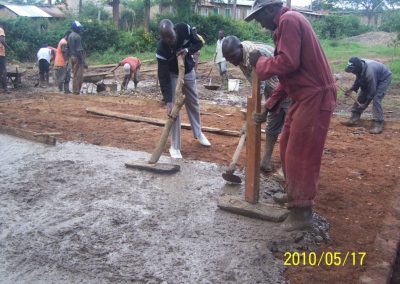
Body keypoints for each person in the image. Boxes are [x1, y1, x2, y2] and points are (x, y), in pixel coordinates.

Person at [245, 0, 337, 231]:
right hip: (303, 97)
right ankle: (294, 195)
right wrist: (269, 105)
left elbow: (287, 63)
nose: (259, 24)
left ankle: (302, 212)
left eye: (258, 18)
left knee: (301, 153)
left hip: (314, 97)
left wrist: (261, 64)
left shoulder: (289, 20)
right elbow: (289, 77)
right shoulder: (284, 25)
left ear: (269, 10)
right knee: (287, 145)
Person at [222, 35, 291, 172]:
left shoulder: (255, 55)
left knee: (291, 129)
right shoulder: (239, 57)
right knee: (272, 127)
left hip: (288, 89)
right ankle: (266, 160)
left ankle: (289, 168)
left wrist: (252, 119)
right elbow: (255, 86)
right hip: (272, 93)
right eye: (228, 58)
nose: (231, 61)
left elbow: (260, 85)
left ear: (240, 47)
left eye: (232, 56)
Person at [156, 19, 211, 159]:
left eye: (171, 37)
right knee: (174, 109)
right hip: (173, 75)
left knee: (194, 103)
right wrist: (168, 100)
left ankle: (198, 133)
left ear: (174, 30)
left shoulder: (184, 29)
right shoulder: (161, 49)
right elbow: (163, 77)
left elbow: (199, 43)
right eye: (166, 39)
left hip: (188, 71)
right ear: (162, 38)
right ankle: (174, 146)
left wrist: (187, 50)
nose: (170, 41)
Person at [342, 57, 392, 134]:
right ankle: (354, 118)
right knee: (362, 94)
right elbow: (358, 79)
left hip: (384, 78)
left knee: (376, 99)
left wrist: (364, 104)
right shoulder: (359, 66)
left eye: (353, 71)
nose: (352, 72)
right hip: (375, 75)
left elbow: (372, 92)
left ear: (357, 69)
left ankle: (378, 124)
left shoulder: (369, 73)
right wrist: (351, 89)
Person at [68, 20, 87, 95]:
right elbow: (79, 50)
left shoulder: (70, 36)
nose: (80, 29)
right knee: (79, 75)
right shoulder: (77, 36)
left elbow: (68, 48)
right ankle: (76, 91)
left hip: (72, 57)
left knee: (74, 74)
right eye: (79, 28)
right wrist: (83, 61)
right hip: (77, 58)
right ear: (76, 28)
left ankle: (74, 89)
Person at [0, 24, 11, 93]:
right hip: (1, 53)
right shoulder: (1, 30)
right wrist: (9, 48)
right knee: (4, 70)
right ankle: (5, 88)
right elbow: (2, 40)